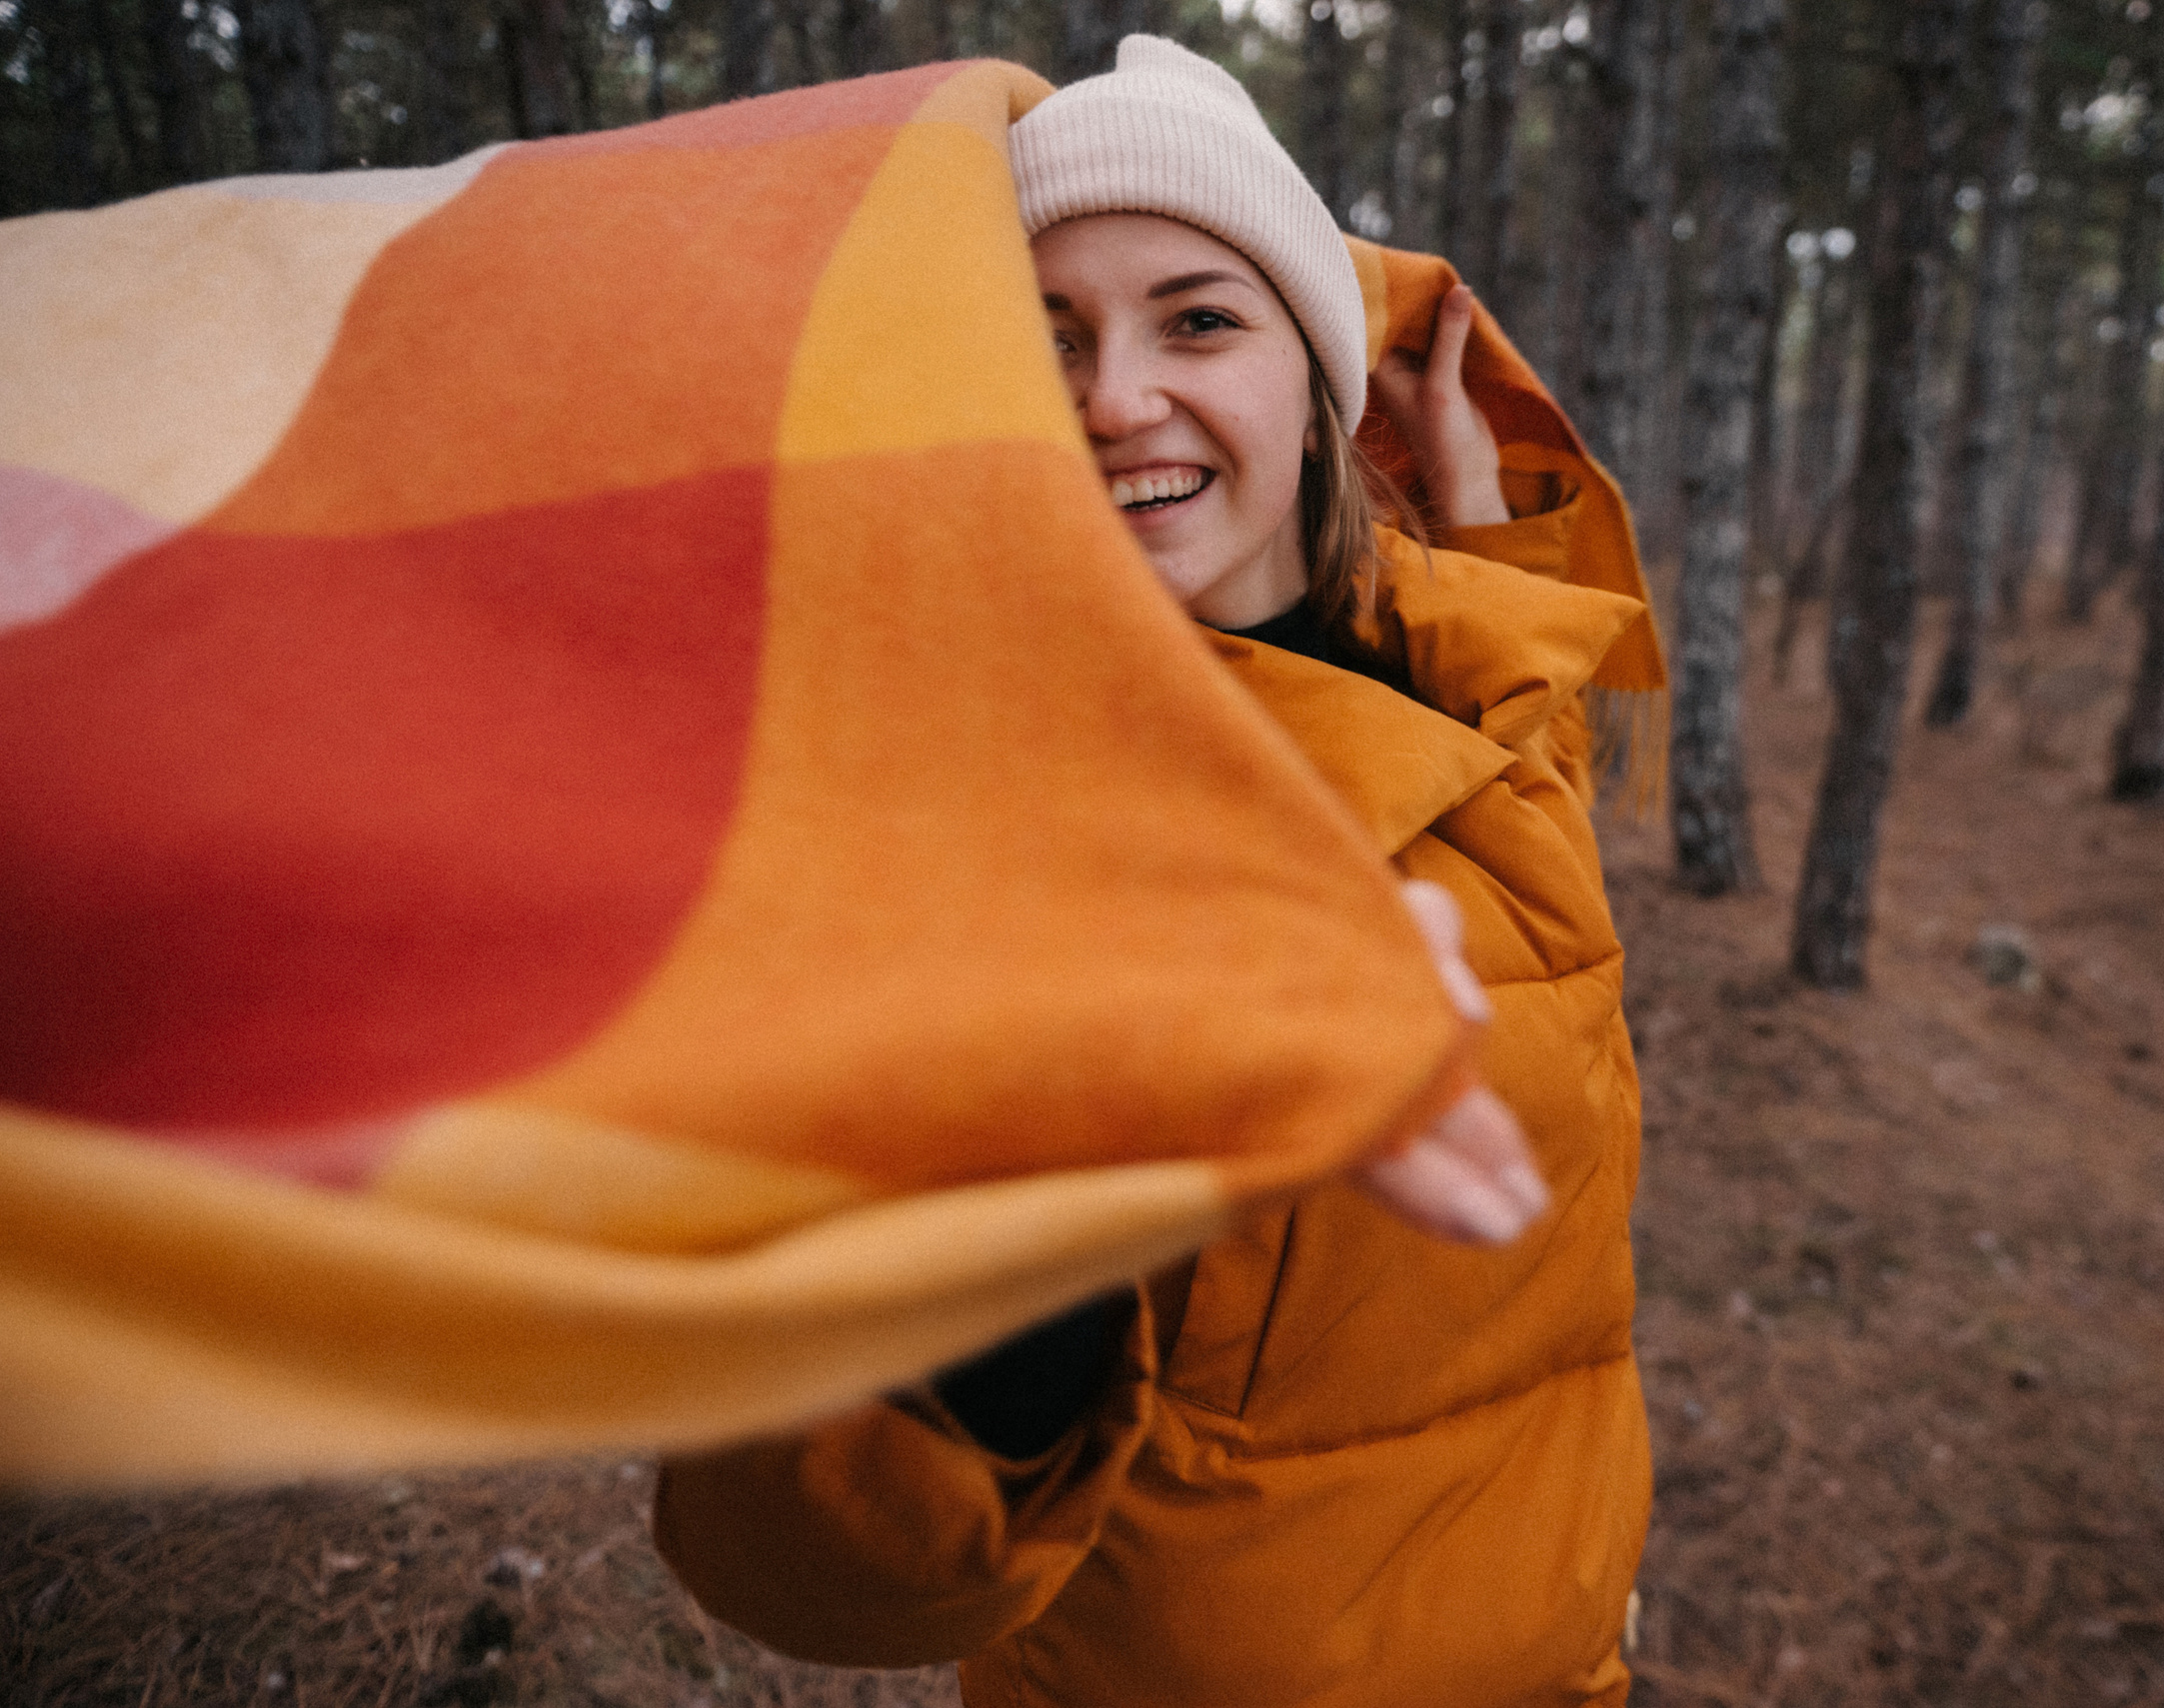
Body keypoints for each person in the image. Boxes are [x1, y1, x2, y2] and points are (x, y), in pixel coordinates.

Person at [655, 37, 1653, 1706]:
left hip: (1564, 1647)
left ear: (1317, 387)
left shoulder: (1461, 667)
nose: (1115, 397)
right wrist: (1035, 1180)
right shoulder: (970, 825)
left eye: (1198, 319)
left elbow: (1519, 749)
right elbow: (818, 1555)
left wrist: (1486, 516)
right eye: (1048, 336)